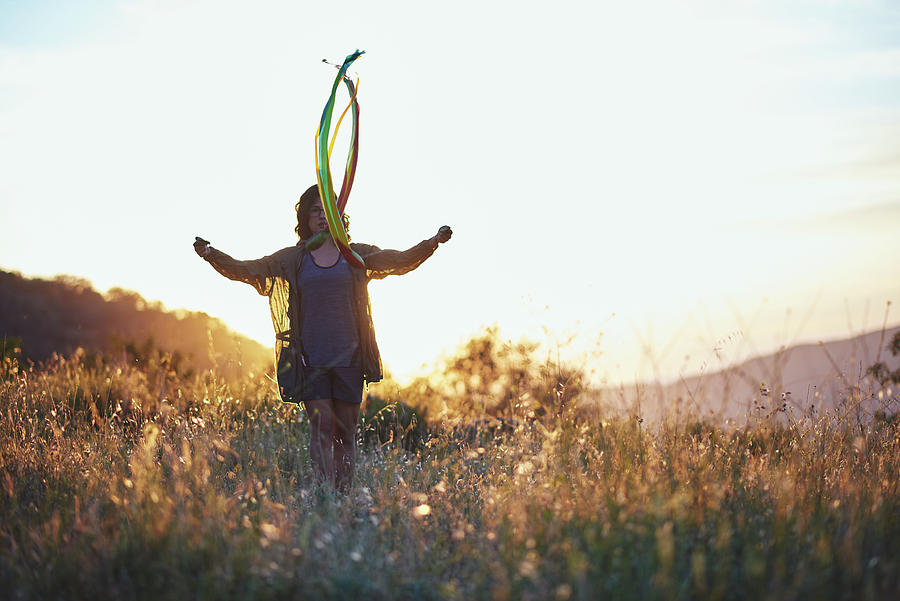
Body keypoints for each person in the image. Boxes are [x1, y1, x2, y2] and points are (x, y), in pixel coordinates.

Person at [193, 184, 452, 491]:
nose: (321, 215)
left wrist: (432, 242)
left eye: (327, 209)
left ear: (338, 214)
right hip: (310, 360)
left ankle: (342, 496)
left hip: (351, 358)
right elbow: (248, 269)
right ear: (305, 216)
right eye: (315, 210)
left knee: (345, 431)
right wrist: (212, 255)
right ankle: (325, 494)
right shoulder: (293, 259)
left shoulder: (356, 255)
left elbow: (397, 260)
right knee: (322, 426)